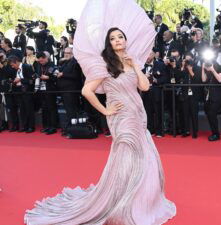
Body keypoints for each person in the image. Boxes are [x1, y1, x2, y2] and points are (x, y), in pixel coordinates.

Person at [24, 0, 176, 224]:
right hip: (120, 115)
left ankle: (139, 200)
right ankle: (120, 202)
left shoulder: (133, 61)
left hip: (138, 113)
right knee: (127, 154)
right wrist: (106, 109)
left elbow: (144, 87)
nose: (117, 41)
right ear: (109, 43)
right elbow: (87, 91)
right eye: (113, 38)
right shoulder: (104, 65)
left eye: (120, 37)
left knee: (144, 155)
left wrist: (135, 65)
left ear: (126, 40)